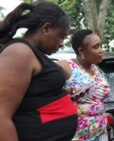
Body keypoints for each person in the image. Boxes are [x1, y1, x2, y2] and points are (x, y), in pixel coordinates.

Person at [0, 2, 78, 141]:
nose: (61, 43)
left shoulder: (34, 54)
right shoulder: (20, 52)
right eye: (62, 36)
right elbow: (1, 116)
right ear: (46, 28)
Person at [57, 29, 110, 141]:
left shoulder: (95, 68)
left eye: (100, 46)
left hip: (100, 133)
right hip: (77, 135)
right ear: (81, 51)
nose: (101, 50)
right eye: (96, 47)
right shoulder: (65, 66)